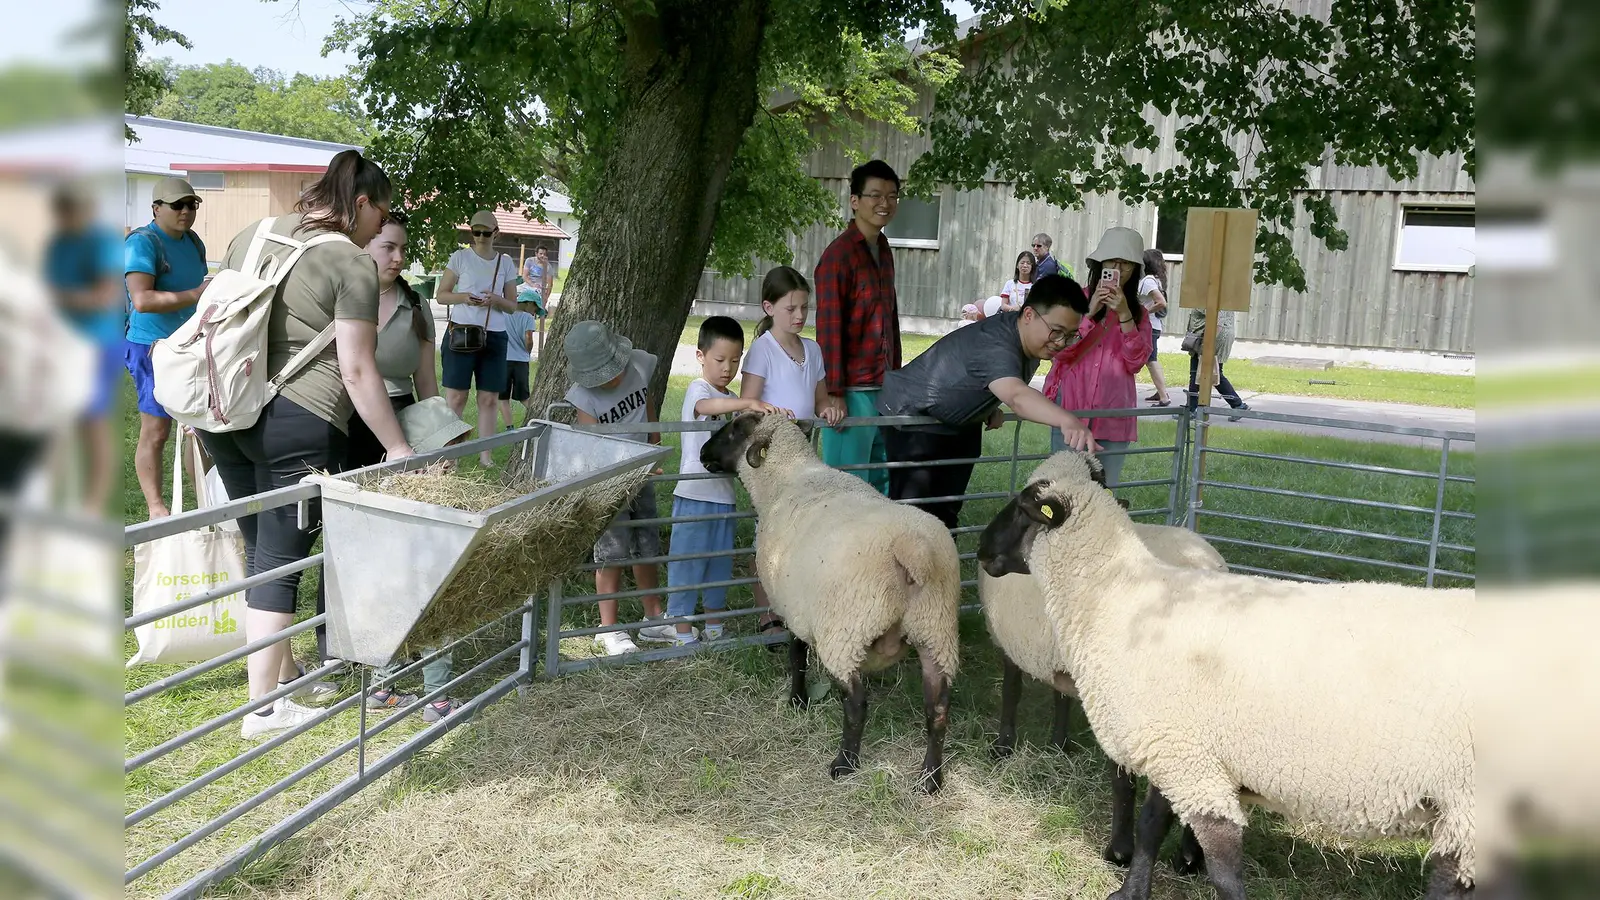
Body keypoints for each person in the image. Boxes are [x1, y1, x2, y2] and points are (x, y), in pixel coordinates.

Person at [198, 150, 414, 739]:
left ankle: (285, 671)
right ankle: (263, 707)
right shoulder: (350, 263)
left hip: (224, 412)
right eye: (383, 215)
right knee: (281, 557)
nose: (381, 230)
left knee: (260, 541)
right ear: (362, 203)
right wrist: (397, 447)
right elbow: (359, 370)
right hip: (298, 419)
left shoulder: (254, 232)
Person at [876, 274, 1101, 531]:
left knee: (944, 513)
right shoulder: (998, 342)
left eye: (1071, 335)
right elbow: (1016, 396)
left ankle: (941, 565)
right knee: (914, 515)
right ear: (1029, 315)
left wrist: (987, 403)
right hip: (915, 417)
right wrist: (1067, 419)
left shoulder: (1029, 339)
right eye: (1057, 332)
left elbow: (982, 374)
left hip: (957, 423)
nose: (1061, 343)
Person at [666, 316, 788, 646]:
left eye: (735, 361)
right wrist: (748, 402)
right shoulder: (699, 390)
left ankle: (715, 625)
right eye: (720, 360)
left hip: (723, 497)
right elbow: (706, 406)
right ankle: (680, 630)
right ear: (700, 356)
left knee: (718, 564)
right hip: (693, 495)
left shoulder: (730, 396)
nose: (727, 368)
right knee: (688, 562)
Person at [739, 267, 844, 639]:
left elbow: (819, 399)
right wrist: (768, 415)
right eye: (790, 309)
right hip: (770, 455)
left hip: (803, 454)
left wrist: (829, 408)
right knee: (766, 529)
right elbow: (745, 407)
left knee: (798, 525)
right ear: (769, 307)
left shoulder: (813, 350)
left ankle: (794, 601)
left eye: (804, 308)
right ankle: (766, 610)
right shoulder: (763, 351)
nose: (799, 316)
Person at [563, 320, 670, 655]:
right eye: (602, 374)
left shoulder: (639, 362)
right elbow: (593, 447)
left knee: (647, 544)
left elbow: (646, 400)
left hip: (644, 472)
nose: (611, 378)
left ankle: (653, 618)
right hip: (610, 483)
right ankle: (607, 628)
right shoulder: (583, 397)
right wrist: (616, 478)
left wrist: (653, 441)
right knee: (611, 551)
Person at [124, 176, 210, 519]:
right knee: (157, 431)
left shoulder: (193, 241)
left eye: (192, 205)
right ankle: (156, 509)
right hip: (151, 348)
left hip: (190, 345)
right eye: (177, 205)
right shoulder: (142, 243)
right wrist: (195, 296)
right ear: (156, 208)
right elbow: (142, 300)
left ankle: (208, 503)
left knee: (201, 429)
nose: (186, 211)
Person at [1041, 226, 1153, 488]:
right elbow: (1058, 350)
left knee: (1104, 490)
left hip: (1112, 412)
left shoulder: (1139, 314)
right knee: (1064, 488)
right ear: (1100, 263)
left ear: (1135, 269)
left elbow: (1135, 363)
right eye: (1112, 261)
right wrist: (1088, 314)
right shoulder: (1073, 300)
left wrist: (1125, 315)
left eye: (1126, 264)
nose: (1118, 268)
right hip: (1071, 407)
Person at [814, 159, 899, 495]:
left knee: (881, 480)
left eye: (892, 196)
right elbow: (829, 329)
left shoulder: (883, 248)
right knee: (846, 486)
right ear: (855, 201)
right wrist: (834, 393)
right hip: (850, 389)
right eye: (875, 195)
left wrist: (896, 376)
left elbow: (890, 318)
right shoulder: (838, 256)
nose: (884, 203)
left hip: (883, 384)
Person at [44, 183, 122, 513]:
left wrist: (48, 297)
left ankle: (92, 506)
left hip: (98, 344)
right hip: (61, 345)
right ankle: (52, 500)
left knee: (92, 424)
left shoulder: (103, 242)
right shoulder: (58, 243)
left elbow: (105, 297)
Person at [437, 210, 518, 468]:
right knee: (457, 397)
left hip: (494, 335)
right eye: (476, 232)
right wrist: (465, 297)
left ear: (496, 232)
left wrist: (495, 300)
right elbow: (442, 295)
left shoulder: (505, 262)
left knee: (489, 398)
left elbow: (512, 305)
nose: (480, 237)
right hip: (461, 332)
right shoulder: (460, 257)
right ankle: (451, 456)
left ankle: (486, 456)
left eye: (485, 232)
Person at [1185, 307, 1251, 420]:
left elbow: (1218, 320)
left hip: (1212, 336)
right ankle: (1237, 404)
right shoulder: (1222, 294)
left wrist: (1207, 342)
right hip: (1216, 334)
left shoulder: (1212, 293)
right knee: (1212, 372)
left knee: (1200, 372)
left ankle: (1191, 410)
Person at [498, 298, 539, 431]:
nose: (535, 312)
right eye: (535, 308)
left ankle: (510, 427)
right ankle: (540, 416)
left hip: (504, 359)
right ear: (529, 303)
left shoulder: (504, 314)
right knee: (524, 396)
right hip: (521, 360)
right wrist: (528, 350)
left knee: (503, 397)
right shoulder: (528, 318)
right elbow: (528, 339)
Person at [1139, 248, 1173, 407]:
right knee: (1151, 360)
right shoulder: (1157, 279)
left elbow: (1161, 302)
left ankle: (1164, 396)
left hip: (1148, 326)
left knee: (1151, 361)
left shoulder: (1148, 281)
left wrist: (1142, 313)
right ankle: (1160, 392)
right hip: (1153, 326)